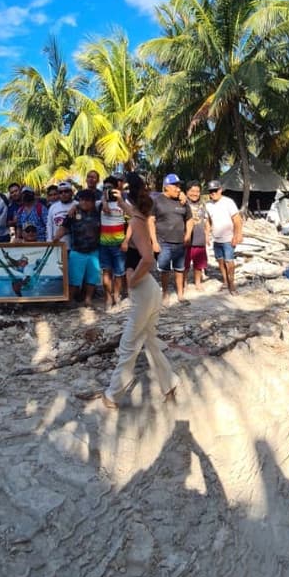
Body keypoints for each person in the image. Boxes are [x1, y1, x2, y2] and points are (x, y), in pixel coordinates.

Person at [103, 174, 175, 409]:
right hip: (151, 290)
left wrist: (132, 280)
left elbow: (147, 259)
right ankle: (170, 383)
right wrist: (121, 199)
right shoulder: (139, 215)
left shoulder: (136, 222)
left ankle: (113, 395)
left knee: (129, 344)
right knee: (150, 340)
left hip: (143, 290)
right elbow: (130, 209)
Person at [150, 173, 192, 305]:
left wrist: (188, 234)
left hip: (180, 242)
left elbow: (189, 219)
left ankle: (180, 295)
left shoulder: (183, 201)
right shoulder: (157, 201)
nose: (178, 188)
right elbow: (150, 221)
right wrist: (154, 242)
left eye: (179, 186)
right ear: (166, 187)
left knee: (180, 269)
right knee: (164, 270)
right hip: (163, 242)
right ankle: (165, 294)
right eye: (175, 186)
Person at [55, 189, 103, 306]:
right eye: (81, 200)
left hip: (94, 252)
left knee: (92, 279)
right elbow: (64, 227)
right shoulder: (73, 213)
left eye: (87, 200)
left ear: (92, 202)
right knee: (74, 280)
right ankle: (69, 299)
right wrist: (55, 239)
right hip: (77, 251)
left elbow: (105, 200)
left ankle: (88, 300)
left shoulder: (99, 212)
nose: (84, 203)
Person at [205, 180, 243, 295]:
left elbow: (237, 220)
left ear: (220, 190)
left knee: (229, 262)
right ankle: (225, 282)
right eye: (211, 191)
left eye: (215, 190)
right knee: (220, 262)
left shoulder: (228, 202)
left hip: (228, 239)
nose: (213, 193)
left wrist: (238, 235)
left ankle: (232, 285)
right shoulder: (208, 205)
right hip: (217, 239)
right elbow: (208, 221)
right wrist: (207, 234)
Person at [97, 175, 127, 308]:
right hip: (104, 244)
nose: (107, 190)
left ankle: (117, 295)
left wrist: (126, 240)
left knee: (119, 273)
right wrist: (104, 200)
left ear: (116, 188)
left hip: (119, 244)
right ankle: (108, 297)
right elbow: (79, 204)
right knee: (106, 272)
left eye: (110, 188)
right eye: (104, 188)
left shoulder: (124, 203)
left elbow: (132, 221)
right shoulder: (99, 203)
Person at [184, 182, 209, 292]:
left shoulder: (203, 204)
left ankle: (197, 282)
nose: (195, 194)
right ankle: (183, 283)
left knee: (199, 264)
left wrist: (207, 235)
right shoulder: (183, 202)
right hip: (186, 239)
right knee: (184, 264)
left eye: (197, 191)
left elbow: (207, 221)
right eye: (192, 191)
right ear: (187, 192)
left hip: (199, 238)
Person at [46, 182, 76, 248]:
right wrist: (49, 241)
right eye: (60, 192)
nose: (63, 194)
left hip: (74, 246)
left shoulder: (78, 204)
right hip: (57, 245)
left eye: (66, 191)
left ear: (71, 192)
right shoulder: (53, 207)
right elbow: (49, 225)